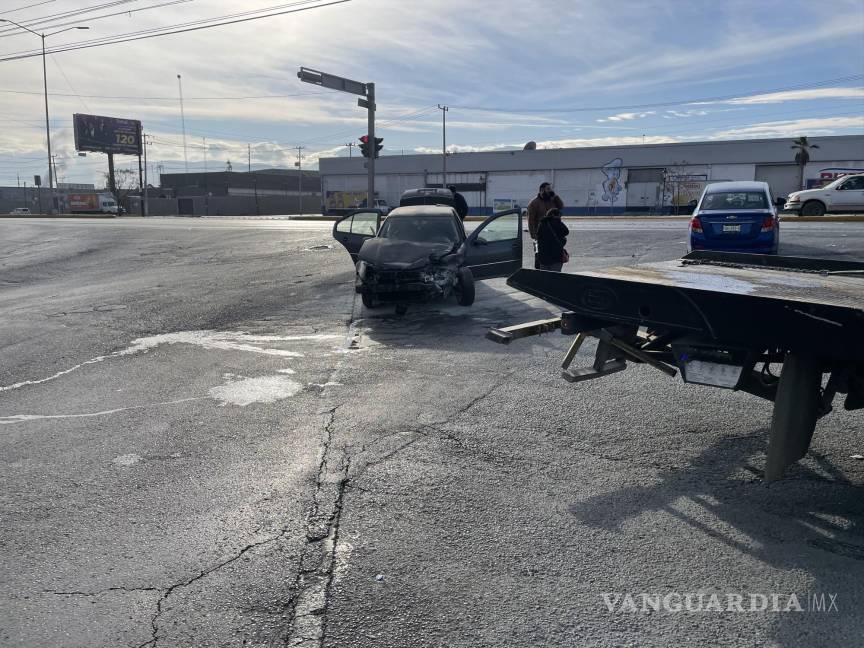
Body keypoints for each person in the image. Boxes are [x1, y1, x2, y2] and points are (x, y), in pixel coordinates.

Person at [536, 207, 569, 272]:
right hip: (556, 256)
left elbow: (538, 237)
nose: (560, 217)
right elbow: (566, 231)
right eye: (559, 216)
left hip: (543, 256)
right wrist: (558, 221)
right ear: (554, 215)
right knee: (555, 275)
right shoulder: (557, 222)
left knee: (545, 276)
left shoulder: (542, 223)